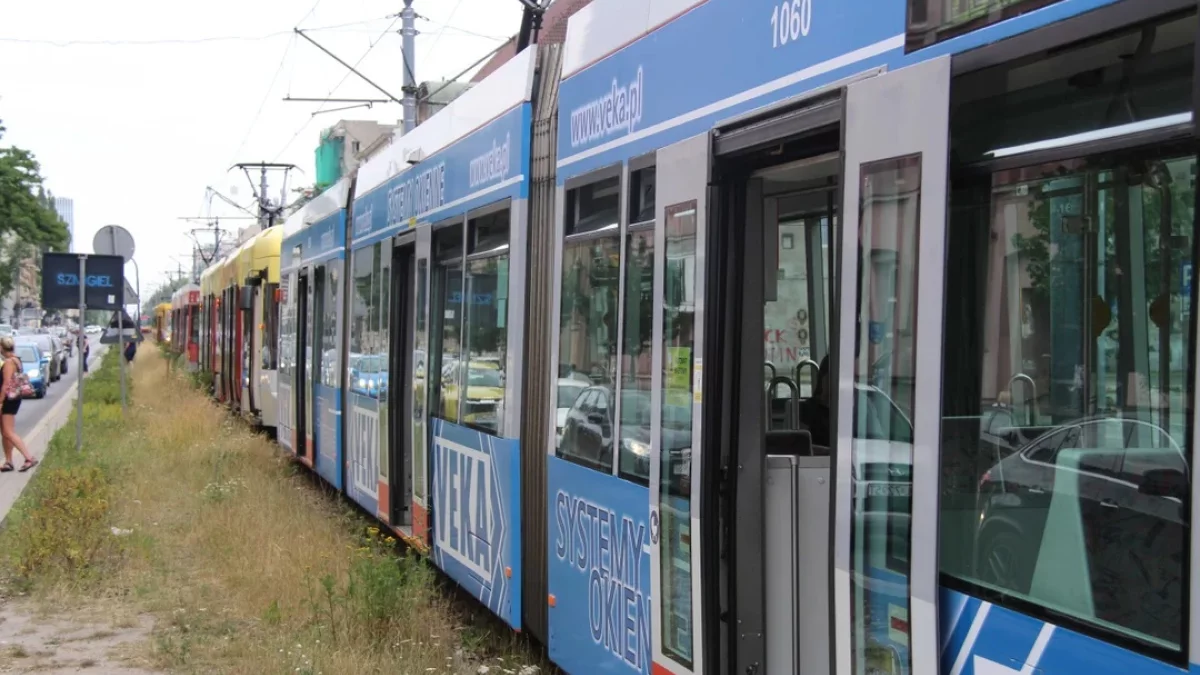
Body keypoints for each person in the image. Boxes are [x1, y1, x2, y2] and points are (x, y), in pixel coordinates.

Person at [0, 337, 37, 472]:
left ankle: (29, 458)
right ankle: (8, 462)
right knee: (4, 432)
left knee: (8, 432)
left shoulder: (9, 362)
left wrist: (0, 402)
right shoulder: (17, 359)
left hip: (8, 400)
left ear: (2, 347)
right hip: (13, 398)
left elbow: (6, 384)